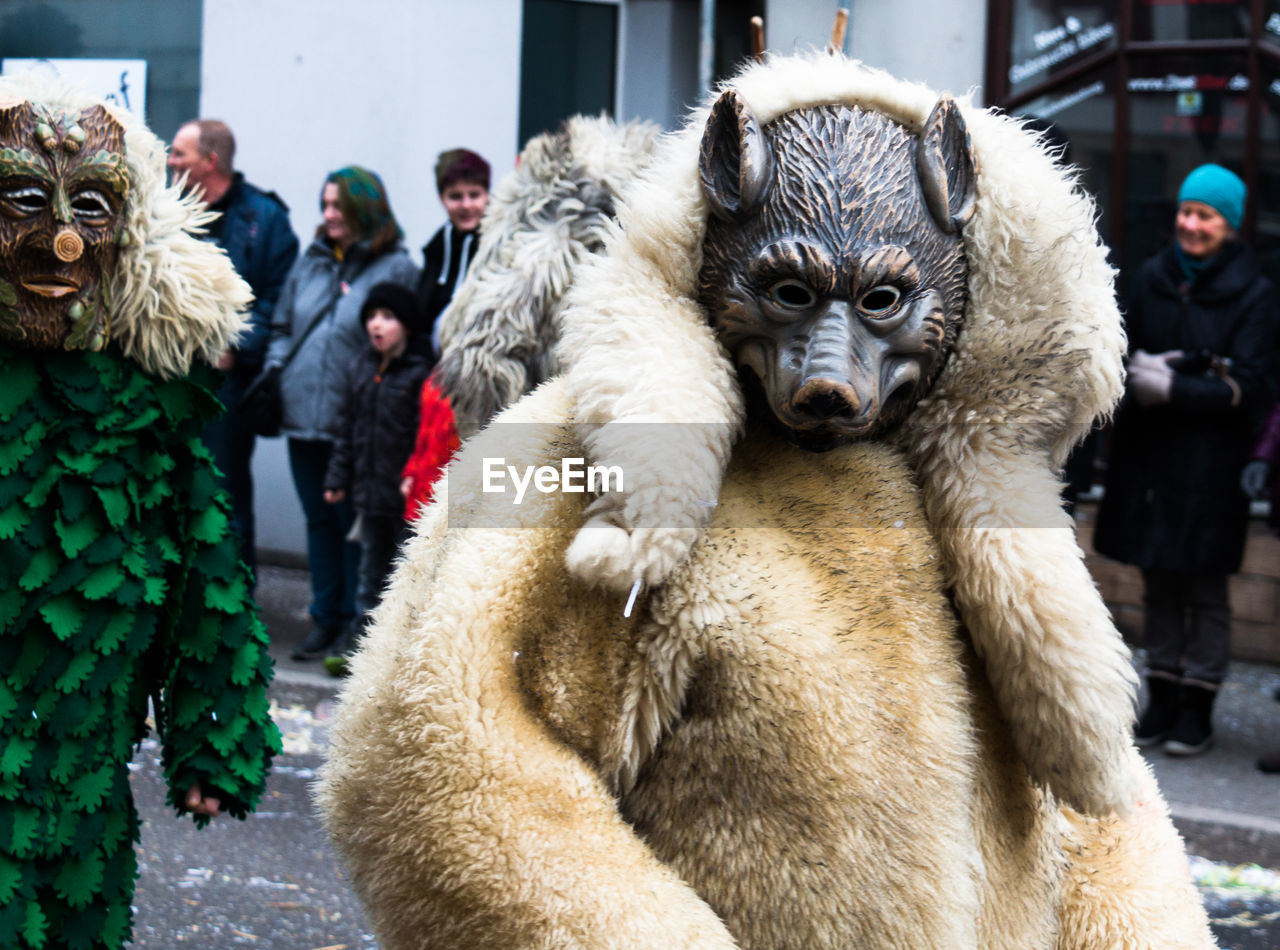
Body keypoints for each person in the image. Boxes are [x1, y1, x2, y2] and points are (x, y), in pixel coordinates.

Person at [1095, 163, 1280, 757]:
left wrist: (1174, 387)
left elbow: (1252, 384)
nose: (1190, 224)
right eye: (1185, 211)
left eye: (1205, 216)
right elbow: (1119, 352)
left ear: (1229, 224)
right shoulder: (1150, 277)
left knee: (1204, 588)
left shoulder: (1254, 293)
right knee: (1157, 582)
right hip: (1148, 460)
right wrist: (1134, 374)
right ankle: (1162, 697)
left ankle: (1197, 709)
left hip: (1212, 467)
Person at [267, 167, 418, 661]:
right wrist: (276, 369)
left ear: (364, 209)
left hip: (355, 418)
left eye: (339, 206)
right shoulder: (311, 261)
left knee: (357, 525)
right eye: (325, 204)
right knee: (318, 521)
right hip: (302, 411)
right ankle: (323, 617)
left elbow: (402, 339)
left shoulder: (395, 267)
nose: (328, 215)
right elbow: (284, 324)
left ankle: (359, 625)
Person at [168, 119, 300, 583]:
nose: (170, 161)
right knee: (170, 491)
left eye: (179, 153)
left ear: (211, 161)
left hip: (227, 385)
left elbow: (279, 298)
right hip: (169, 379)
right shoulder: (167, 215)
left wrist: (234, 346)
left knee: (223, 494)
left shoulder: (266, 220)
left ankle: (232, 606)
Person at [321, 282, 431, 675]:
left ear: (407, 325)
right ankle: (360, 647)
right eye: (371, 317)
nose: (376, 326)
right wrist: (338, 478)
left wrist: (415, 477)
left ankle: (398, 655)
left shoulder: (421, 374)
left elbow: (423, 434)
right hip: (368, 497)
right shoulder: (360, 368)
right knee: (369, 576)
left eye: (387, 317)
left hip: (405, 498)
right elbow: (346, 430)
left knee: (404, 575)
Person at [416, 148, 490, 354]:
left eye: (474, 195)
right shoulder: (436, 248)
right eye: (456, 196)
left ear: (487, 195)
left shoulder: (499, 247)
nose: (466, 205)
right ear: (441, 198)